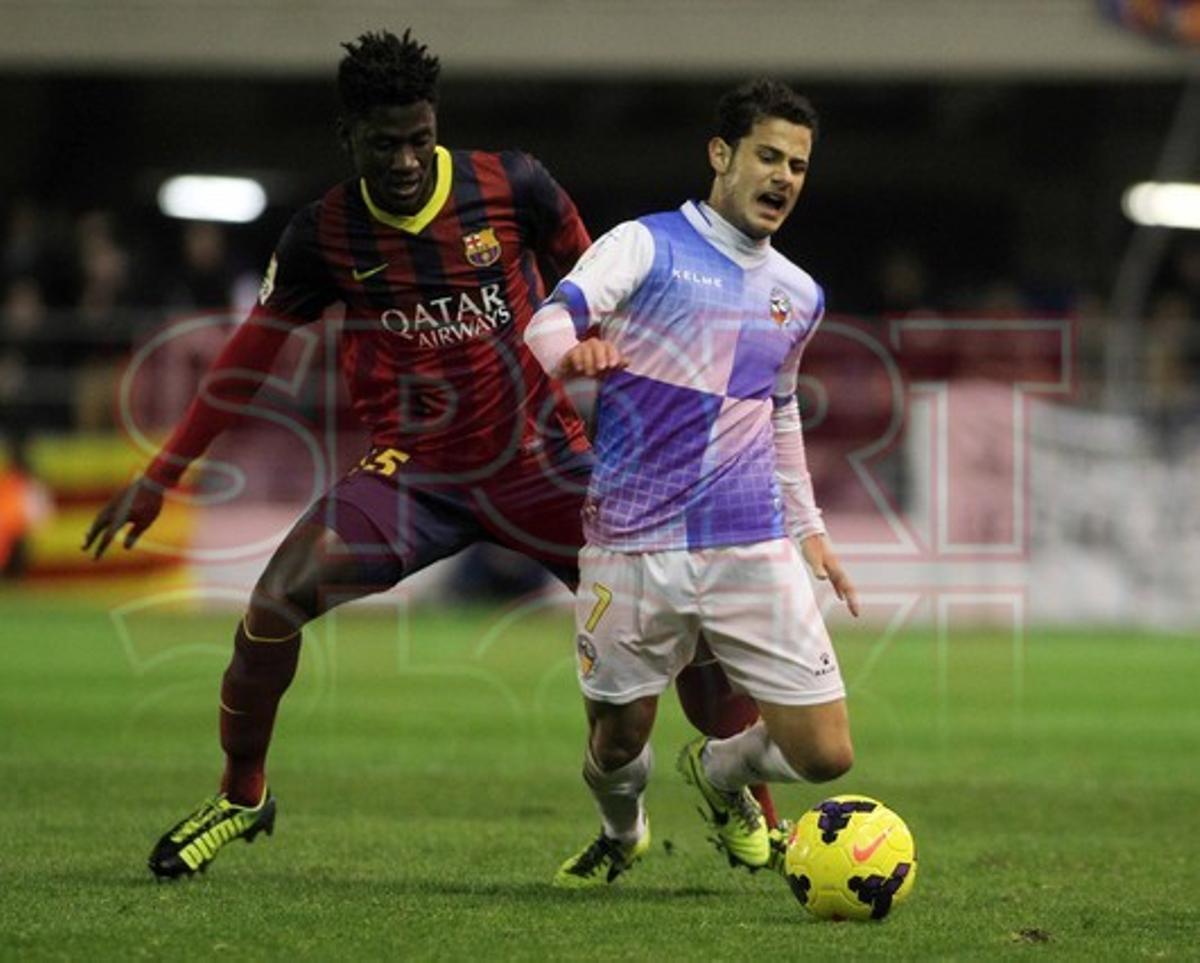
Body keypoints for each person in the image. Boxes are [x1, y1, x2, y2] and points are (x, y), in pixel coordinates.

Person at [83, 29, 779, 879]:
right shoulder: (324, 236)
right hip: (414, 475)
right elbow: (248, 358)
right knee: (272, 604)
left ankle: (747, 798)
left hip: (545, 464)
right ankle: (242, 794)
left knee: (689, 628)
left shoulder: (512, 185)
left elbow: (606, 293)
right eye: (386, 143)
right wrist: (163, 474)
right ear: (350, 138)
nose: (408, 158)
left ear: (435, 123)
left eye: (420, 137)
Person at [524, 78, 859, 888]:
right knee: (614, 741)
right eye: (768, 156)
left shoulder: (799, 294)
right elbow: (547, 319)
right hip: (634, 543)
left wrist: (809, 527)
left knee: (826, 754)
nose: (784, 177)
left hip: (750, 542)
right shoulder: (645, 243)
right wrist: (571, 355)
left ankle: (718, 771)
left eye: (799, 165)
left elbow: (779, 411)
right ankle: (623, 828)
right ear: (722, 155)